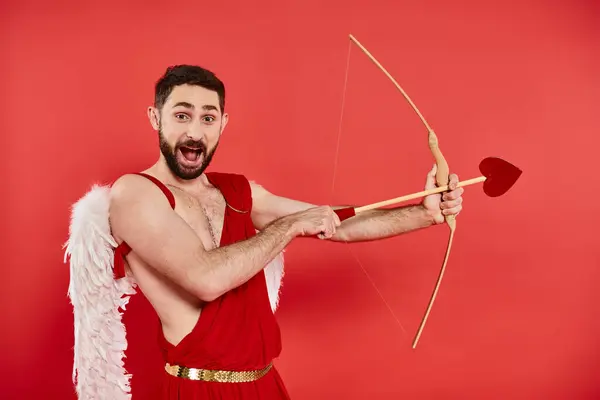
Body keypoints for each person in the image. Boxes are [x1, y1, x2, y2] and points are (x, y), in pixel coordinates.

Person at [66, 64, 464, 400]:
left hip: (266, 384)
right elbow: (205, 278)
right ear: (156, 117)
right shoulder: (134, 193)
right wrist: (290, 226)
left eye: (208, 118)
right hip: (199, 390)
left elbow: (334, 222)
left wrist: (423, 213)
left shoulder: (238, 191)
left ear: (223, 123)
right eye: (181, 115)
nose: (195, 132)